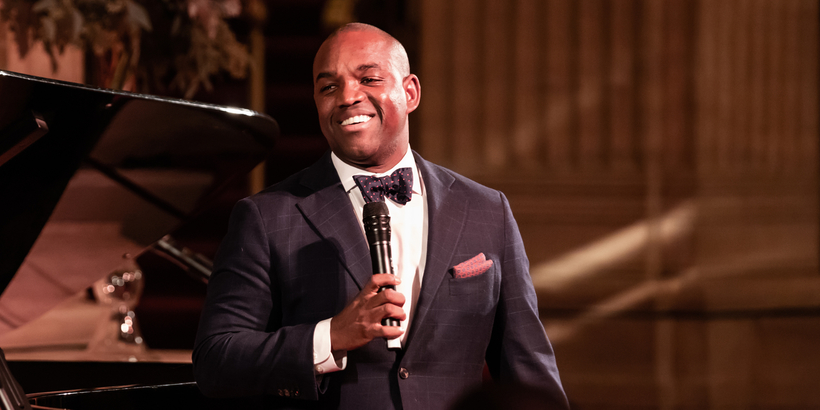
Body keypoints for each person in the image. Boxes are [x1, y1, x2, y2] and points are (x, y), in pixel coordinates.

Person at [193, 22, 568, 409]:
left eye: (368, 79)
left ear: (410, 92)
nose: (347, 97)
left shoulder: (486, 210)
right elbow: (216, 361)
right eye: (328, 87)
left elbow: (529, 372)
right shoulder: (267, 216)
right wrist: (330, 336)